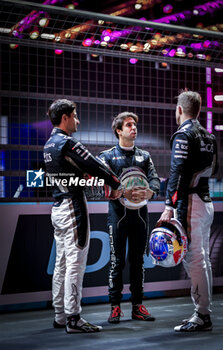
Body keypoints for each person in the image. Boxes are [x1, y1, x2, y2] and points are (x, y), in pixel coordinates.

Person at [43, 99, 122, 333]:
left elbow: (78, 173)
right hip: (72, 208)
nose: (78, 120)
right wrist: (115, 183)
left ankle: (60, 315)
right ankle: (74, 318)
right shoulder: (66, 143)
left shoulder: (48, 144)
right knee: (75, 265)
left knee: (62, 264)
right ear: (65, 117)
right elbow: (94, 165)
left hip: (58, 207)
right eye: (75, 116)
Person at [157, 90, 219, 332]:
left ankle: (202, 314)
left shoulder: (183, 135)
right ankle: (203, 311)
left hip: (191, 204)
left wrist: (169, 206)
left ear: (180, 110)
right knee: (202, 259)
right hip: (206, 200)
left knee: (194, 259)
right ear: (199, 110)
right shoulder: (209, 136)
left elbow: (178, 173)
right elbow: (214, 170)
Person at [99, 111, 160, 323]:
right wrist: (113, 192)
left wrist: (151, 192)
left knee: (137, 262)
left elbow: (154, 179)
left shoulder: (144, 156)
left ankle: (137, 306)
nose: (133, 128)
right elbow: (98, 183)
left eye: (134, 125)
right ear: (118, 131)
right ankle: (115, 307)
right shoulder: (106, 156)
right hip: (117, 217)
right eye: (128, 125)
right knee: (117, 262)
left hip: (140, 217)